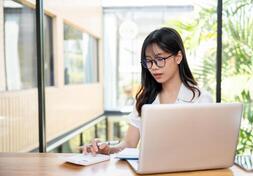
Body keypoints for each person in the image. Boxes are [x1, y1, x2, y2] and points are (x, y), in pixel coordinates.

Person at [82, 27, 212, 155]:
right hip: (148, 172)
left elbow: (207, 147)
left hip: (188, 172)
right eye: (148, 61)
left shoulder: (201, 99)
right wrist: (107, 150)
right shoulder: (145, 98)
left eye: (160, 59)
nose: (153, 67)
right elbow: (129, 144)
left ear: (178, 57)